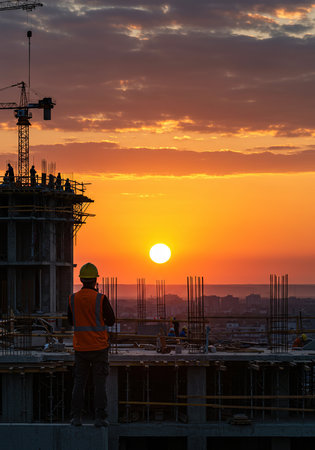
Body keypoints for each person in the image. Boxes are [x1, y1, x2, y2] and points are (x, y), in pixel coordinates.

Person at [68, 262, 115, 427]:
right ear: (95, 280)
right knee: (99, 385)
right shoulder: (101, 299)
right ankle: (100, 418)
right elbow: (111, 320)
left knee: (79, 384)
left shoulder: (73, 298)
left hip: (81, 348)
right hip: (99, 348)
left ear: (81, 280)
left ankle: (76, 418)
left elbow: (70, 320)